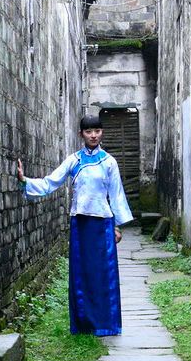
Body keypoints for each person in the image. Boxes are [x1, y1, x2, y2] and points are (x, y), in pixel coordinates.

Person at [17, 114, 133, 336]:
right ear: (81, 134)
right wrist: (25, 181)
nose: (93, 135)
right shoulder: (74, 160)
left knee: (104, 275)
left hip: (102, 225)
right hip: (80, 224)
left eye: (97, 131)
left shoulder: (109, 162)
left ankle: (107, 324)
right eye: (88, 132)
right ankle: (83, 325)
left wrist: (117, 226)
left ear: (101, 133)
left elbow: (116, 195)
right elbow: (52, 181)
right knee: (82, 274)